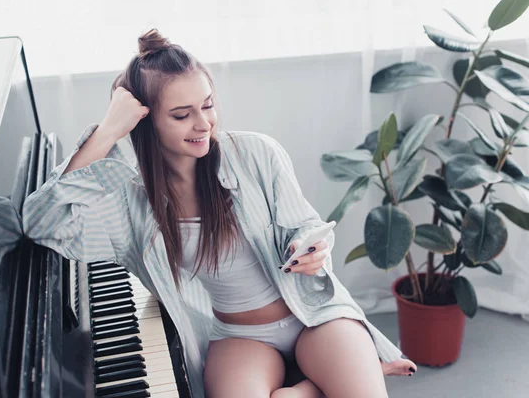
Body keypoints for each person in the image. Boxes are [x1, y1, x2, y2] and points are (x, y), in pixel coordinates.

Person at [23, 28, 417, 398]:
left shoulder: (256, 153)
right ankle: (320, 385)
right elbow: (42, 223)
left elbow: (305, 224)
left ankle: (329, 377)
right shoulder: (130, 200)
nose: (203, 124)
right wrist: (107, 130)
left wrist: (310, 248)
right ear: (145, 121)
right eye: (182, 115)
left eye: (208, 105)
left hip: (313, 315)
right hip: (237, 336)